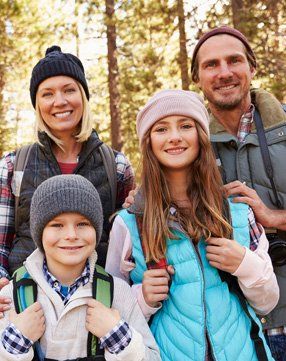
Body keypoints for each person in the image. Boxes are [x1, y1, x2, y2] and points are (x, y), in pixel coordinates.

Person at [106, 89, 279, 361]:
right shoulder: (129, 224)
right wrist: (142, 298)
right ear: (148, 142)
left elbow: (267, 302)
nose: (175, 136)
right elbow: (110, 312)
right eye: (161, 129)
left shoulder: (236, 211)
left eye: (186, 126)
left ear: (201, 135)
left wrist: (245, 264)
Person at [0, 45, 134, 285]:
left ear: (82, 96)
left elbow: (125, 243)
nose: (59, 101)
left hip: (95, 300)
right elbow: (0, 246)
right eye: (47, 93)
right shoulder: (12, 166)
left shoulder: (116, 166)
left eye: (69, 90)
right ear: (37, 103)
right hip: (28, 300)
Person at [190, 26, 286, 361]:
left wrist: (274, 217)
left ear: (252, 67)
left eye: (234, 60)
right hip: (235, 334)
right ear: (197, 77)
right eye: (211, 64)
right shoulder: (185, 142)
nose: (224, 72)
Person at [0, 174, 160, 360]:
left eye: (82, 224)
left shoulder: (117, 293)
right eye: (57, 224)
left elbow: (152, 356)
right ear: (39, 232)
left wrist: (118, 335)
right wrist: (16, 341)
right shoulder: (13, 295)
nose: (71, 235)